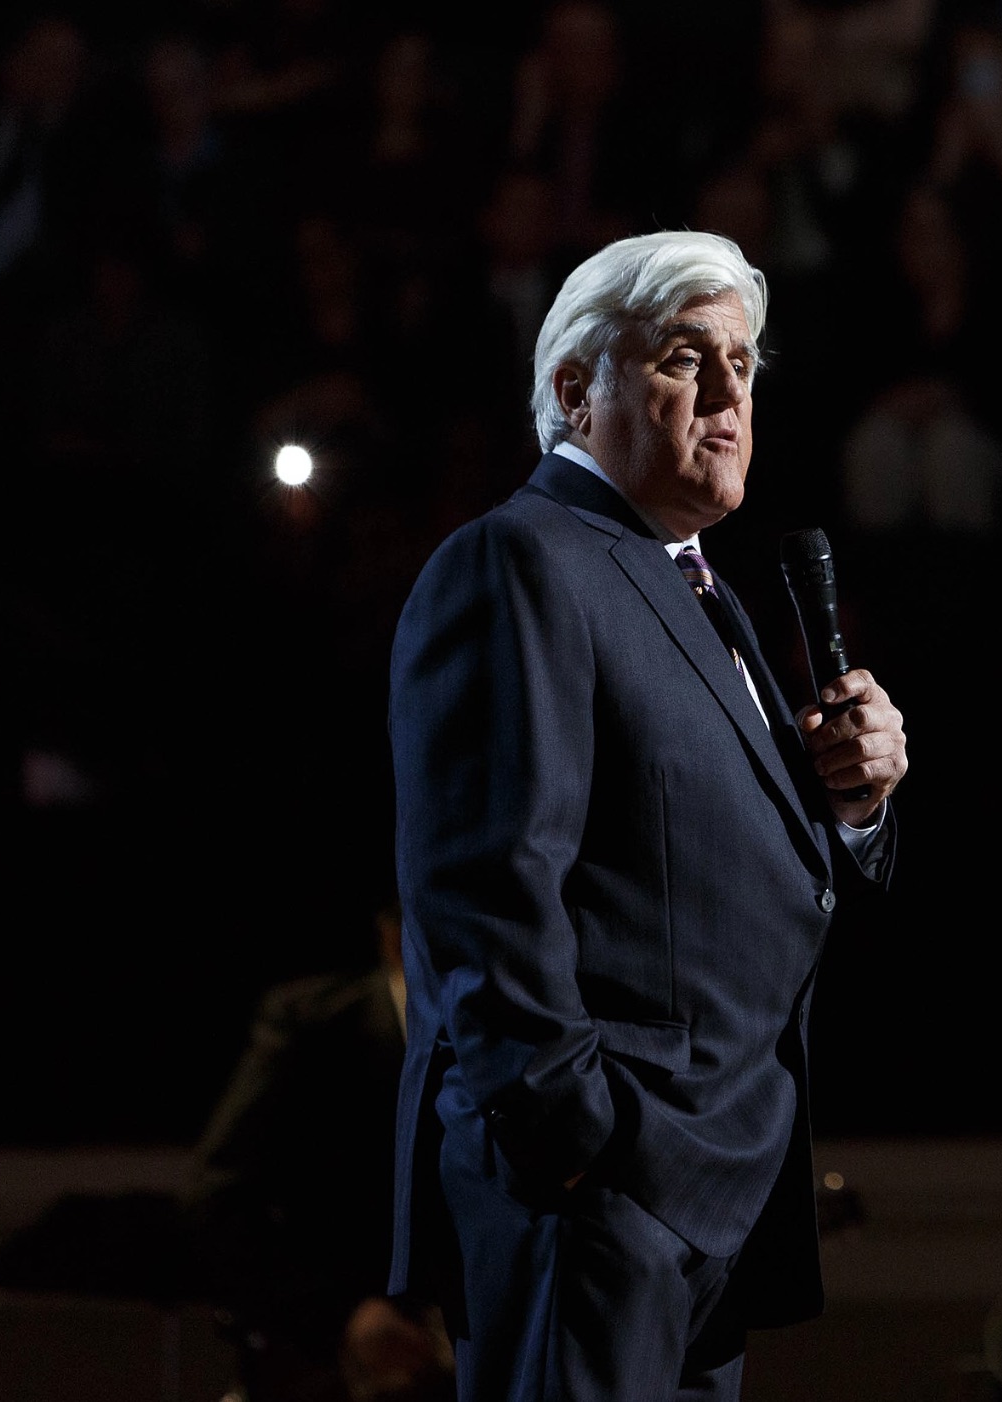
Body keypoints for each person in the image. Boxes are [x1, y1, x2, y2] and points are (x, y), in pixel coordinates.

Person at [385, 230, 908, 1402]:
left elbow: (740, 867)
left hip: (704, 1199)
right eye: (686, 358)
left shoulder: (696, 584)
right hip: (601, 1199)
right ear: (577, 390)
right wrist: (587, 1152)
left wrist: (857, 805)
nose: (730, 396)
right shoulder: (521, 562)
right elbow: (487, 889)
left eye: (744, 364)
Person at [184, 903, 454, 1402]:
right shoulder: (313, 1025)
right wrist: (341, 1317)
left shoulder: (509, 1034)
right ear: (395, 937)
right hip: (341, 1363)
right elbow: (220, 1196)